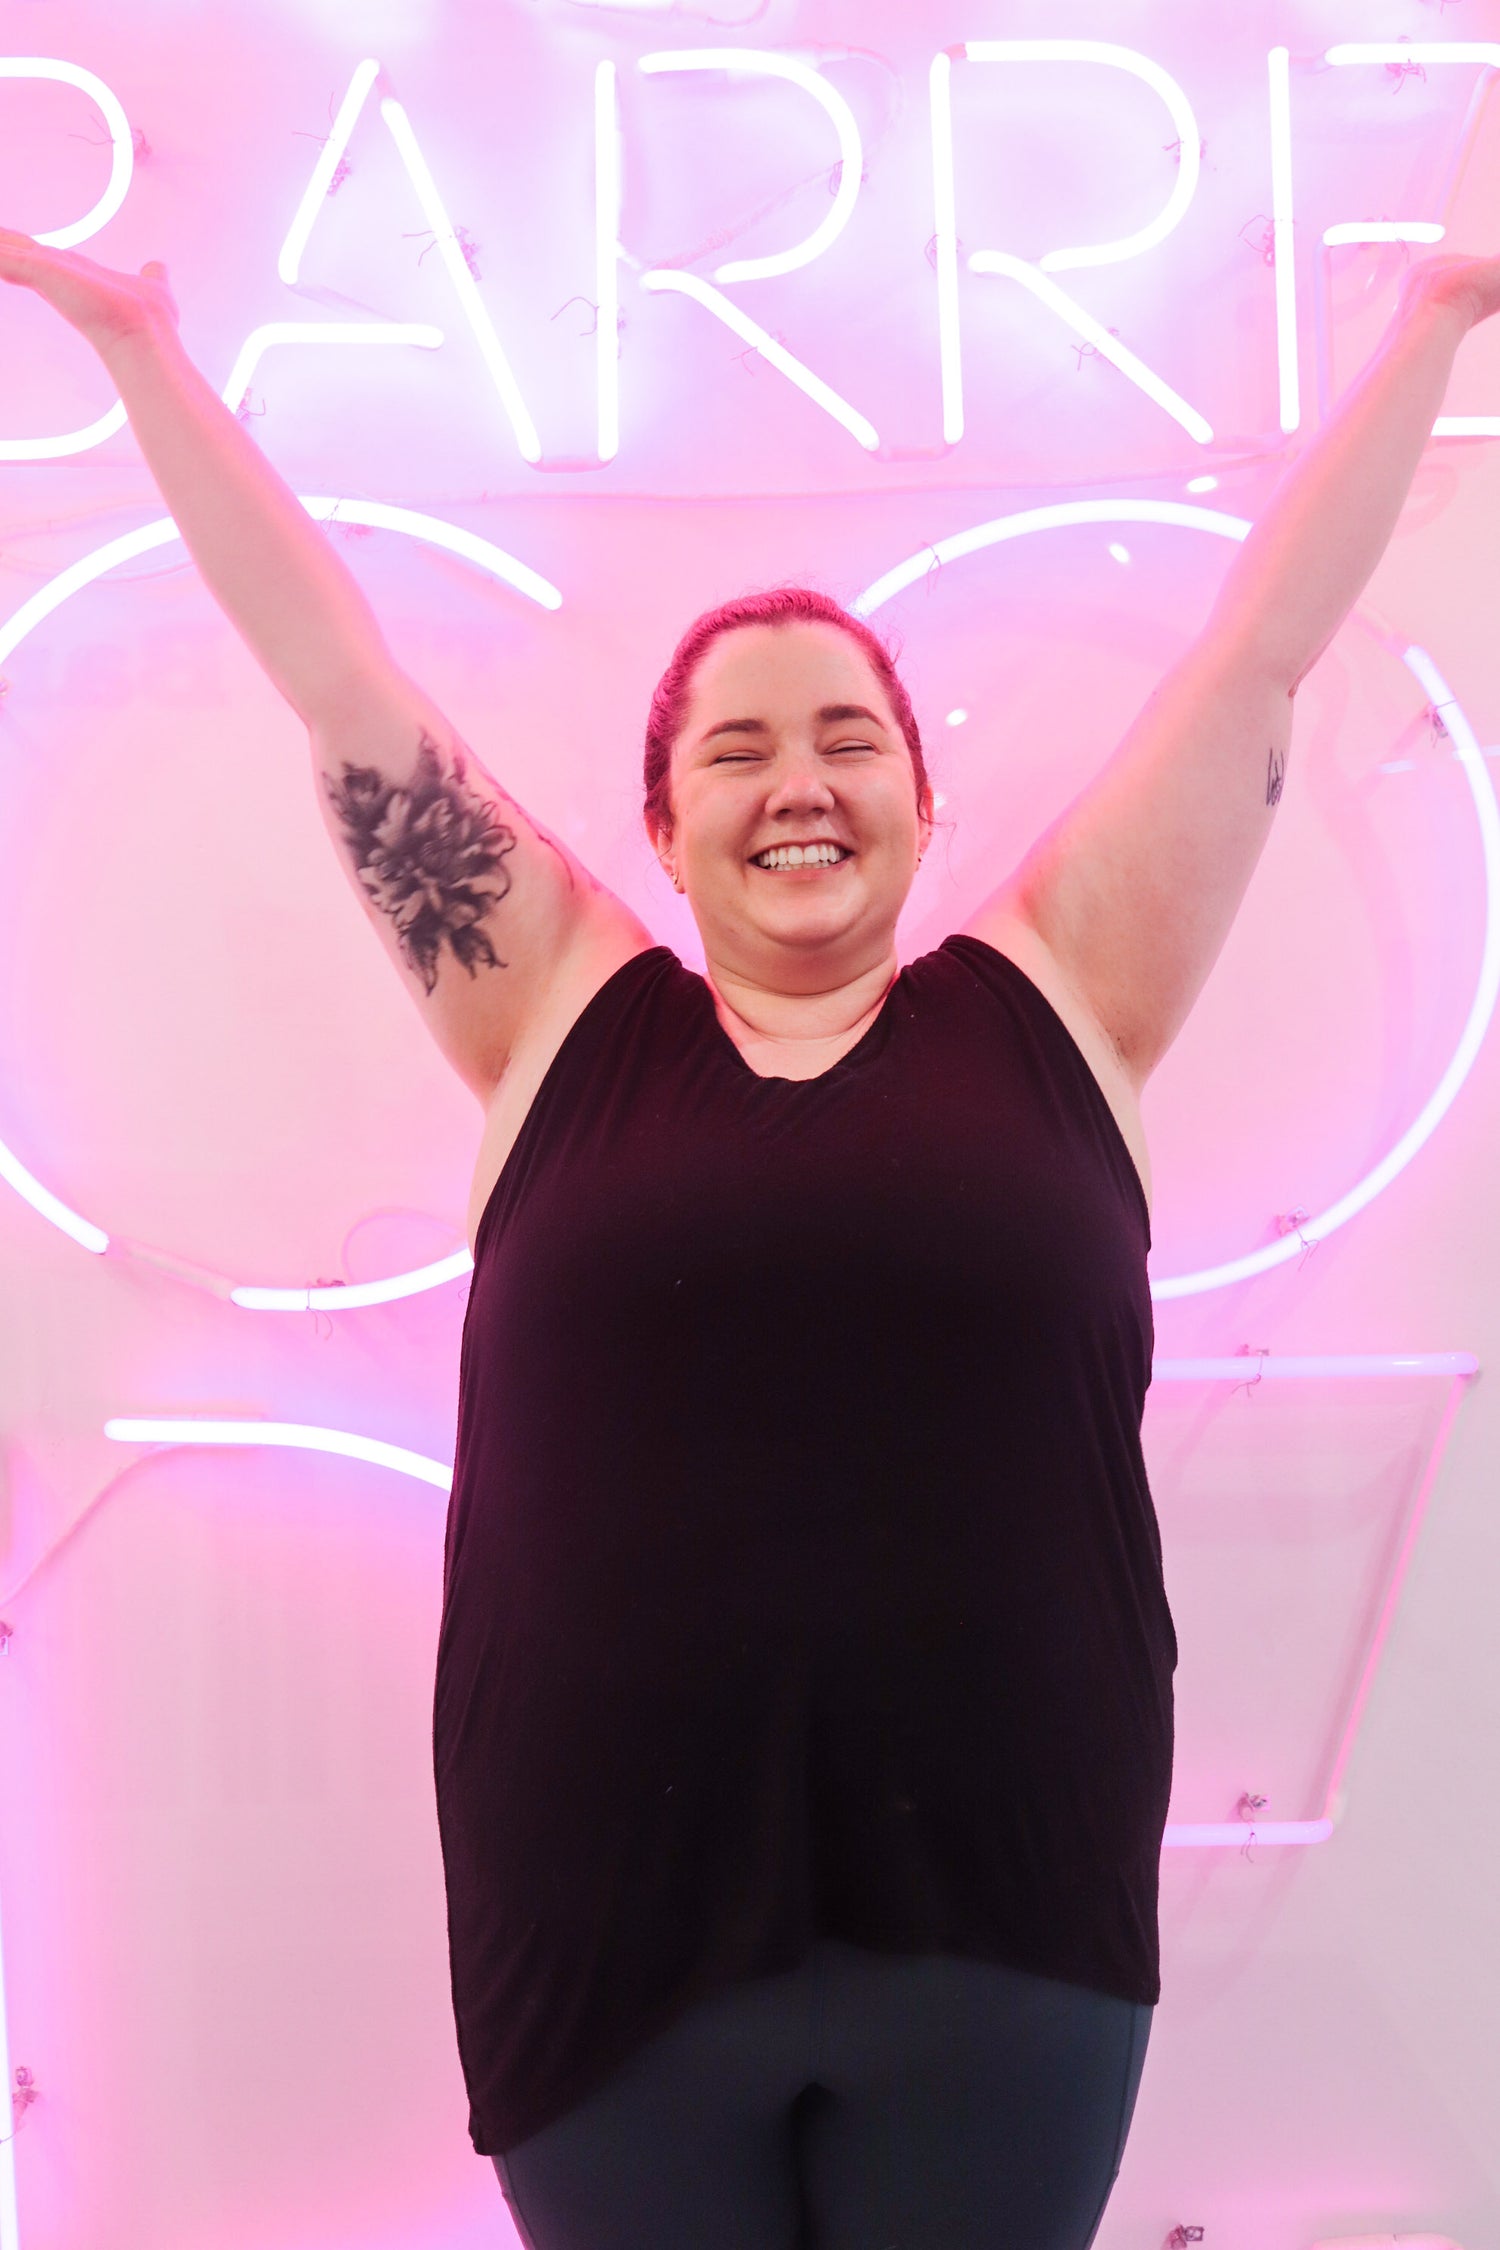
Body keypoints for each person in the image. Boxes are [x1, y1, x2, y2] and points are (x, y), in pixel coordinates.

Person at [3, 221, 1495, 2250]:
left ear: (914, 796)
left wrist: (1435, 320)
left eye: (846, 735)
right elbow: (335, 674)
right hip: (600, 1928)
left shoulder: (1067, 988)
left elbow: (1260, 645)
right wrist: (139, 344)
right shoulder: (547, 1013)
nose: (798, 779)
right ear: (665, 820)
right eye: (738, 745)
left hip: (1013, 1912)